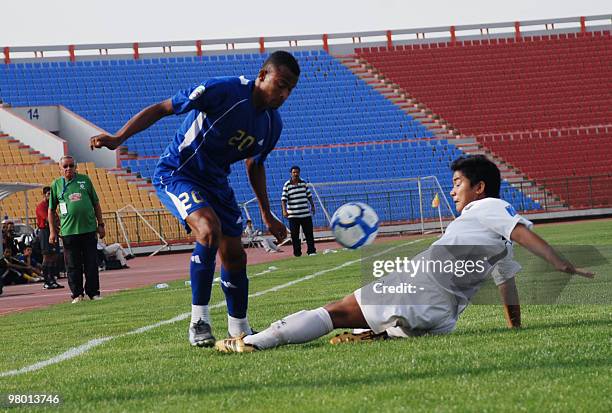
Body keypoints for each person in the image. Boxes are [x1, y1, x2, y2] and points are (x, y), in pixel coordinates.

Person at [214, 155, 595, 353]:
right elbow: (506, 283)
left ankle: (251, 342)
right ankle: (382, 332)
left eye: (458, 184)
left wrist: (558, 261)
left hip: (420, 284)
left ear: (480, 188)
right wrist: (515, 329)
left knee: (333, 312)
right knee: (367, 318)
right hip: (443, 314)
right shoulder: (495, 237)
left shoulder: (489, 208)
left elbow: (521, 231)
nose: (454, 191)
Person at [90, 51, 300, 347]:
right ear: (262, 75)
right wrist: (118, 138)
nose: (285, 93)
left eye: (290, 88)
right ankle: (199, 321)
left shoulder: (272, 125)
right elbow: (164, 107)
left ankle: (239, 329)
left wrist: (267, 213)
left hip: (216, 183)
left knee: (235, 254)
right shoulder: (224, 90)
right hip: (178, 172)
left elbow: (255, 164)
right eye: (281, 84)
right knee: (208, 230)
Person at [48, 155, 105, 303]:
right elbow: (51, 210)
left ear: (75, 167)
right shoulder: (56, 185)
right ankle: (77, 294)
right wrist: (53, 231)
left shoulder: (85, 180)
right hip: (68, 232)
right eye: (65, 166)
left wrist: (101, 224)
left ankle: (93, 293)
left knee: (91, 263)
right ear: (60, 168)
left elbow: (96, 204)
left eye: (71, 165)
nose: (68, 168)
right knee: (73, 265)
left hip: (89, 230)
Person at [281, 165, 316, 257]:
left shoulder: (303, 183)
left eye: (297, 172)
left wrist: (312, 206)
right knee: (295, 235)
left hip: (305, 214)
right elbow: (284, 199)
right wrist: (284, 211)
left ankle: (311, 251)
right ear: (291, 173)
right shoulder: (287, 184)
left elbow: (309, 196)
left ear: (299, 173)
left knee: (309, 234)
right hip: (293, 215)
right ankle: (297, 253)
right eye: (294, 172)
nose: (296, 174)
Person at [35, 186, 64, 289]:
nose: (50, 196)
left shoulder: (51, 206)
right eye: (48, 194)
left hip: (53, 231)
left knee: (55, 256)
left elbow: (56, 219)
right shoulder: (41, 206)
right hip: (45, 232)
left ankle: (52, 279)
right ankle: (47, 281)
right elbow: (48, 219)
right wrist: (55, 224)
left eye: (51, 194)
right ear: (44, 195)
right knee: (47, 256)